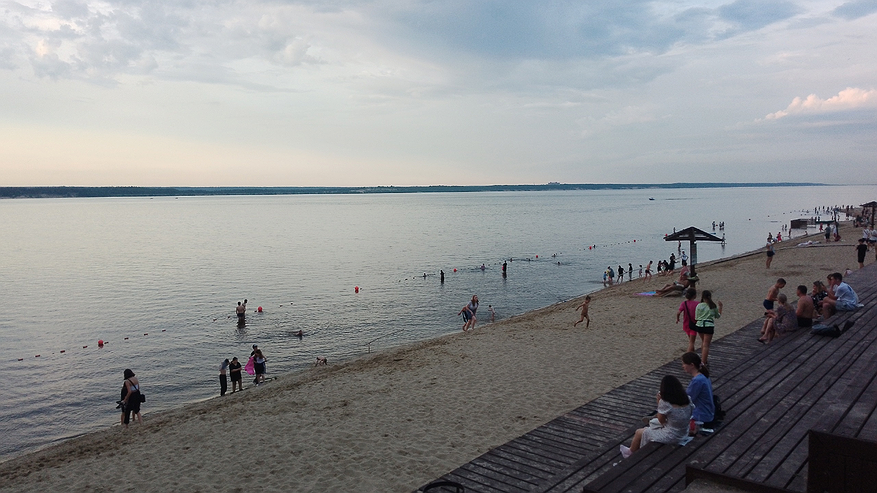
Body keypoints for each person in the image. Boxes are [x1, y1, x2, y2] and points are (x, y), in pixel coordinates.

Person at [619, 375, 693, 458]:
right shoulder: (688, 399)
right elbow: (689, 414)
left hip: (672, 436)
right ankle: (632, 451)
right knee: (648, 428)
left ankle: (630, 453)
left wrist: (659, 403)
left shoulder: (666, 403)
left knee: (639, 432)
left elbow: (661, 420)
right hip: (684, 432)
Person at [682, 352, 714, 432]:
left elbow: (687, 400)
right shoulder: (704, 376)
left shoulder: (697, 381)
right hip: (708, 413)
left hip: (700, 417)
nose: (683, 366)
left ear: (692, 365)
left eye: (684, 364)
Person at [694, 290, 722, 366]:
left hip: (700, 325)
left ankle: (703, 359)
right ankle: (703, 362)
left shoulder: (699, 305)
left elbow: (696, 317)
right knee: (706, 344)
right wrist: (720, 308)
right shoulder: (712, 306)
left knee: (703, 342)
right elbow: (717, 316)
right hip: (708, 325)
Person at [677, 289, 699, 353]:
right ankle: (688, 356)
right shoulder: (697, 303)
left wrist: (677, 319)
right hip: (694, 324)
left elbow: (678, 312)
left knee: (691, 340)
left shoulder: (684, 303)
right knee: (691, 342)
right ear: (694, 296)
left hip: (686, 324)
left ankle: (693, 353)